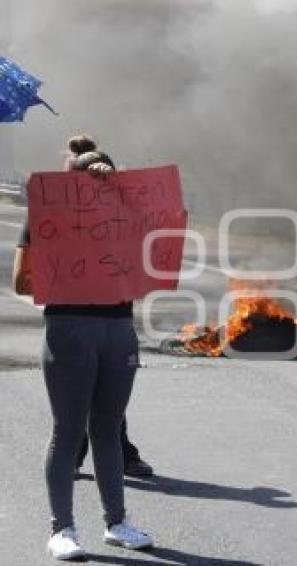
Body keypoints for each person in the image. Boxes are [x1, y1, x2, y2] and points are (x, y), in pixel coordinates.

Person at [13, 137, 154, 560]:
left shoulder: (128, 217)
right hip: (69, 328)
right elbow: (21, 281)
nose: (98, 185)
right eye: (89, 179)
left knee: (108, 427)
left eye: (106, 178)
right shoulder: (48, 214)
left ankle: (117, 522)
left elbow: (157, 258)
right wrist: (72, 269)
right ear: (73, 181)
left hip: (118, 330)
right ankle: (62, 530)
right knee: (68, 429)